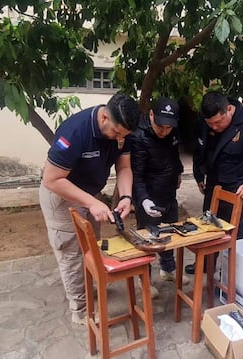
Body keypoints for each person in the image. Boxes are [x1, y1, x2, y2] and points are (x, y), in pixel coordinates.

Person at [39, 92, 140, 325]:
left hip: (88, 192)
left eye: (123, 136)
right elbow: (52, 179)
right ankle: (81, 309)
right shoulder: (75, 131)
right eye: (116, 133)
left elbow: (124, 166)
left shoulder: (122, 131)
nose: (119, 139)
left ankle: (87, 290)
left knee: (89, 248)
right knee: (72, 252)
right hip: (61, 194)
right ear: (104, 117)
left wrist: (125, 196)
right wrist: (93, 203)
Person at [189, 91, 243, 274]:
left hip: (239, 187)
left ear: (229, 109)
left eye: (218, 122)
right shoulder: (207, 120)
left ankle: (229, 275)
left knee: (233, 234)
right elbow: (200, 149)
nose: (215, 127)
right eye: (210, 123)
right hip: (214, 183)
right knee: (208, 226)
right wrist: (199, 175)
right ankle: (207, 265)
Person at [130, 97, 190, 289]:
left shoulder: (172, 129)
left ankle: (168, 269)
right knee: (148, 238)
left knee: (168, 233)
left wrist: (178, 171)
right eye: (160, 127)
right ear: (151, 115)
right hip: (148, 197)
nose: (165, 131)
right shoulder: (139, 138)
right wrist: (144, 200)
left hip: (169, 193)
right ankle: (145, 280)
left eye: (169, 128)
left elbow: (174, 154)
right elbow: (136, 176)